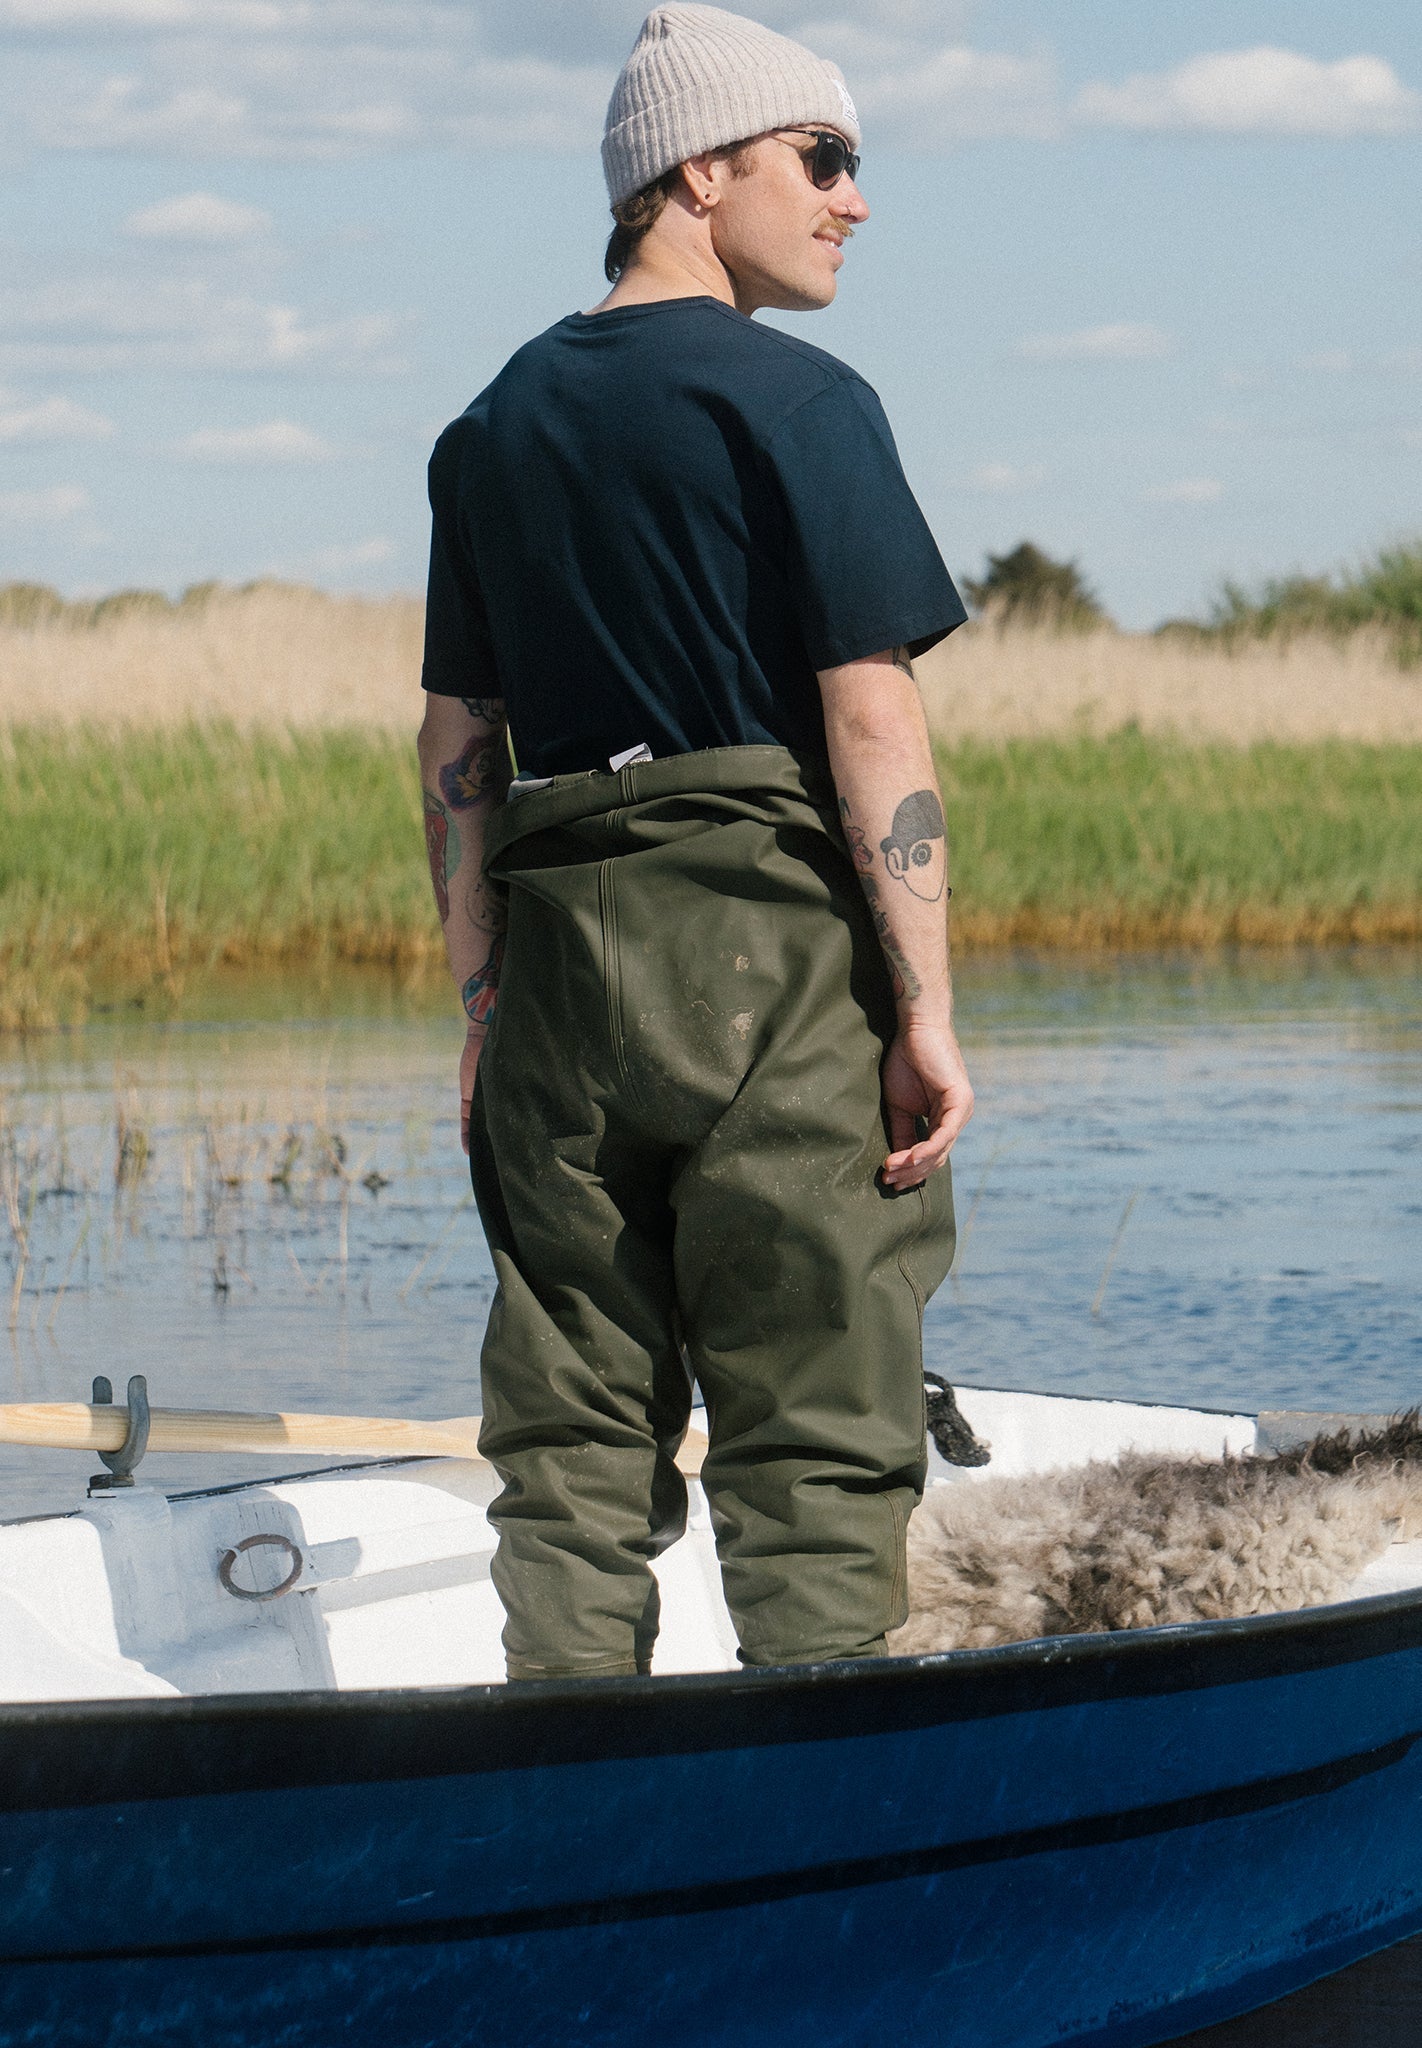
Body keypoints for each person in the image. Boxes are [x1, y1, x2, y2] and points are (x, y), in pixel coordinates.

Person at [417, 1, 974, 1681]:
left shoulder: (493, 424)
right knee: (815, 1407)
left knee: (571, 1429)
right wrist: (924, 1014)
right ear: (698, 170)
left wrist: (482, 1008)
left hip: (558, 971)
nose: (853, 197)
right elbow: (868, 718)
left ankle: (561, 1772)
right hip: (769, 961)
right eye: (823, 156)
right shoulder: (799, 403)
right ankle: (824, 1789)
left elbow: (458, 743)